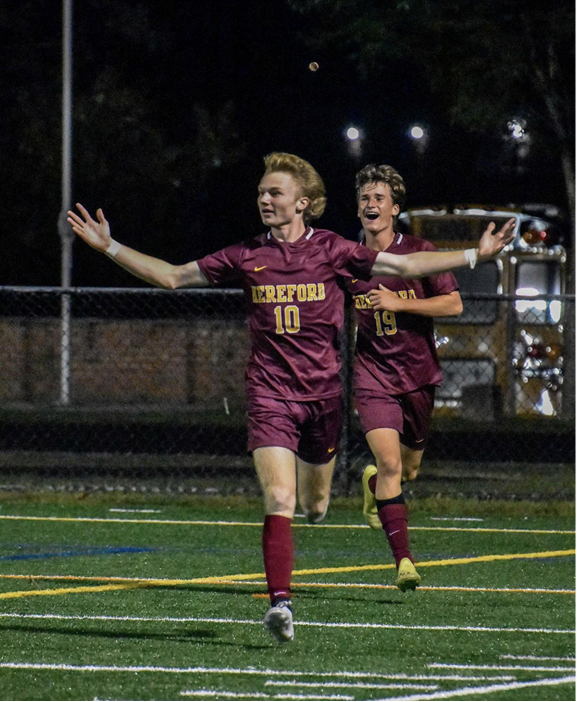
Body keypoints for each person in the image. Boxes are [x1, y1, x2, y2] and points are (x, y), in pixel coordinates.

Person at [67, 152, 515, 643]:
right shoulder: (245, 255)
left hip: (322, 397)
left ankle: (327, 509)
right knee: (279, 496)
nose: (264, 199)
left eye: (274, 192)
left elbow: (407, 263)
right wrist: (110, 247)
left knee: (316, 506)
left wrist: (477, 254)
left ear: (302, 203)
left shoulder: (333, 250)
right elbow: (173, 276)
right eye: (261, 192)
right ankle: (280, 603)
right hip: (269, 395)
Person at [347, 163, 464, 592]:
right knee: (391, 462)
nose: (370, 204)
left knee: (408, 470)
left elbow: (453, 305)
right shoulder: (349, 258)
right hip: (372, 374)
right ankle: (405, 563)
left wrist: (400, 303)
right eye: (364, 197)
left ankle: (373, 483)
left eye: (379, 198)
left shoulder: (418, 251)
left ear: (394, 208)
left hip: (417, 375)